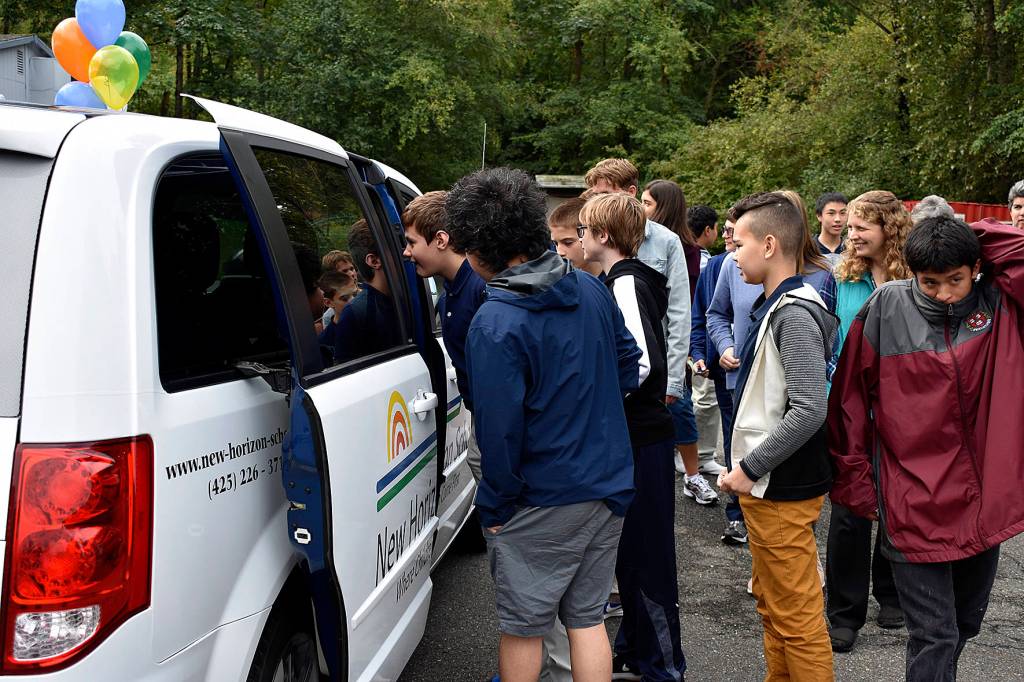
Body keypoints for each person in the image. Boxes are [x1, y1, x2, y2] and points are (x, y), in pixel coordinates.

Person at [446, 167, 641, 682]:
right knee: (588, 619)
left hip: (540, 496)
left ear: (483, 250)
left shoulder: (495, 322)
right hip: (607, 483)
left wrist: (495, 503)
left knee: (524, 627)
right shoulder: (591, 289)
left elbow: (499, 431)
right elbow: (628, 363)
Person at [828, 215, 1024, 680]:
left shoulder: (1001, 303)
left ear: (976, 267)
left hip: (983, 501)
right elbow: (848, 403)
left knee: (963, 627)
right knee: (934, 635)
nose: (943, 293)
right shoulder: (887, 306)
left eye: (955, 279)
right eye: (929, 281)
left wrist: (964, 236)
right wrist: (857, 483)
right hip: (911, 497)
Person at [718, 192, 837, 681]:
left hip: (781, 489)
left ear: (769, 245)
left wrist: (749, 468)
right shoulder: (773, 304)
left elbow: (810, 408)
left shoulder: (793, 312)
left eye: (739, 243)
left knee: (798, 620)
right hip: (769, 490)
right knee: (773, 608)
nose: (732, 254)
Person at [579, 192, 686, 682]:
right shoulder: (621, 279)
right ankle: (636, 646)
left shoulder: (625, 282)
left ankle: (664, 664)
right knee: (629, 554)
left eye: (582, 231)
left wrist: (600, 407)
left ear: (603, 237)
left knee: (646, 556)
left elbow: (639, 362)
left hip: (641, 436)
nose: (578, 240)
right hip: (639, 436)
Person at [824, 190, 911, 653]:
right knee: (849, 513)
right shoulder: (840, 280)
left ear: (889, 231)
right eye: (849, 227)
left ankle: (891, 593)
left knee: (898, 504)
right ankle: (844, 611)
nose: (850, 235)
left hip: (902, 414)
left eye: (861, 228)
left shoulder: (917, 282)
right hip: (850, 412)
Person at [583, 159, 692, 418]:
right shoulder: (589, 239)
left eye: (605, 195)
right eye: (594, 196)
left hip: (649, 372)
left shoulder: (666, 241)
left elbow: (679, 313)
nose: (596, 203)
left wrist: (673, 379)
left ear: (630, 193)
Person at [637, 178, 720, 503]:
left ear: (665, 207)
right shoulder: (635, 241)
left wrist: (684, 353)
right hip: (646, 344)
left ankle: (693, 474)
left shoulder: (684, 249)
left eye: (648, 203)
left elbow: (683, 308)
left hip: (671, 343)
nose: (641, 210)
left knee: (680, 405)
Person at [691, 217, 744, 543]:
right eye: (727, 232)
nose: (729, 237)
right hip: (729, 373)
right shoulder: (718, 267)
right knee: (735, 442)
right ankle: (737, 516)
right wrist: (709, 348)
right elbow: (707, 312)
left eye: (736, 233)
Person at [331, 220, 402, 363]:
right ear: (374, 261)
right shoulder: (356, 313)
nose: (407, 252)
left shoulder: (407, 298)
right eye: (398, 248)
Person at [549, 197, 603, 277]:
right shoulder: (559, 282)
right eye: (556, 244)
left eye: (568, 243)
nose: (559, 252)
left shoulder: (617, 281)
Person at [316, 270, 359, 347]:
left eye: (355, 294)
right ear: (328, 302)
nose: (353, 300)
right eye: (345, 298)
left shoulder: (374, 319)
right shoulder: (325, 343)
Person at [814, 192, 848, 261]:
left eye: (842, 213)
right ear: (819, 216)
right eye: (831, 213)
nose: (838, 219)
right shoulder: (808, 249)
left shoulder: (853, 249)